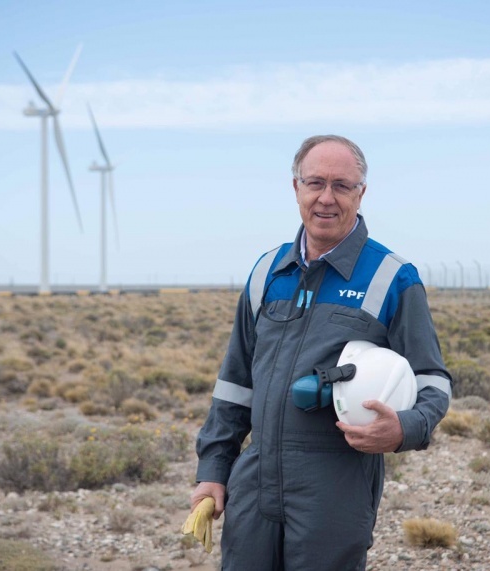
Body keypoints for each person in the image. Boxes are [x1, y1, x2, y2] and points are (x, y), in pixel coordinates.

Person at [190, 135, 452, 570]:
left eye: (341, 185)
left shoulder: (392, 278)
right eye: (315, 183)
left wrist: (405, 428)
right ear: (296, 188)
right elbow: (235, 384)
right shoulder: (267, 272)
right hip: (255, 482)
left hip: (335, 486)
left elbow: (432, 380)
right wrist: (214, 469)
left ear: (361, 193)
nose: (326, 198)